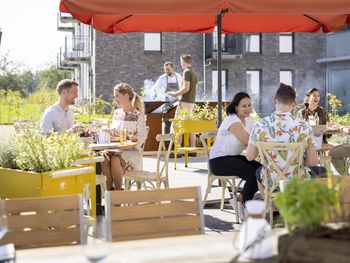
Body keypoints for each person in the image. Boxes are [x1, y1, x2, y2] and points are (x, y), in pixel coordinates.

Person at [246, 83, 317, 192]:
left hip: (271, 181)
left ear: (275, 100)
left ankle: (269, 206)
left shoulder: (260, 125)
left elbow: (250, 156)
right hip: (297, 181)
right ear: (294, 104)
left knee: (258, 172)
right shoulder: (304, 127)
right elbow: (312, 162)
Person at [209, 92, 261, 209]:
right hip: (219, 161)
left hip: (233, 157)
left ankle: (240, 199)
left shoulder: (249, 121)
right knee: (255, 174)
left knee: (262, 172)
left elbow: (260, 135)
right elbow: (247, 141)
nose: (247, 108)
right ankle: (244, 205)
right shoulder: (231, 120)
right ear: (236, 107)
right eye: (243, 106)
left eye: (249, 105)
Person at [101, 83, 147, 190]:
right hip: (115, 149)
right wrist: (107, 132)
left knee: (115, 160)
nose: (115, 99)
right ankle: (109, 193)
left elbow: (142, 137)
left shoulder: (138, 115)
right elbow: (113, 132)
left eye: (117, 96)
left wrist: (136, 138)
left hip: (131, 152)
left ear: (126, 95)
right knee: (104, 158)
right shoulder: (117, 113)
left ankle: (118, 193)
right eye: (115, 96)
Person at [168, 54, 198, 156]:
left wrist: (175, 94)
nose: (180, 64)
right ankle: (192, 150)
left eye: (181, 61)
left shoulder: (186, 72)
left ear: (184, 61)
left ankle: (178, 151)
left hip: (184, 102)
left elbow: (186, 88)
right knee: (191, 126)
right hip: (191, 103)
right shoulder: (193, 73)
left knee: (178, 125)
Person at [152, 62, 182, 134]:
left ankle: (176, 142)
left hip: (177, 102)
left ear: (172, 68)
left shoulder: (178, 76)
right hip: (167, 103)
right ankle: (167, 142)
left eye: (168, 69)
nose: (167, 71)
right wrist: (156, 96)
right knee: (167, 122)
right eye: (165, 70)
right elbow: (155, 89)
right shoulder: (162, 78)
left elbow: (182, 87)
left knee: (179, 122)